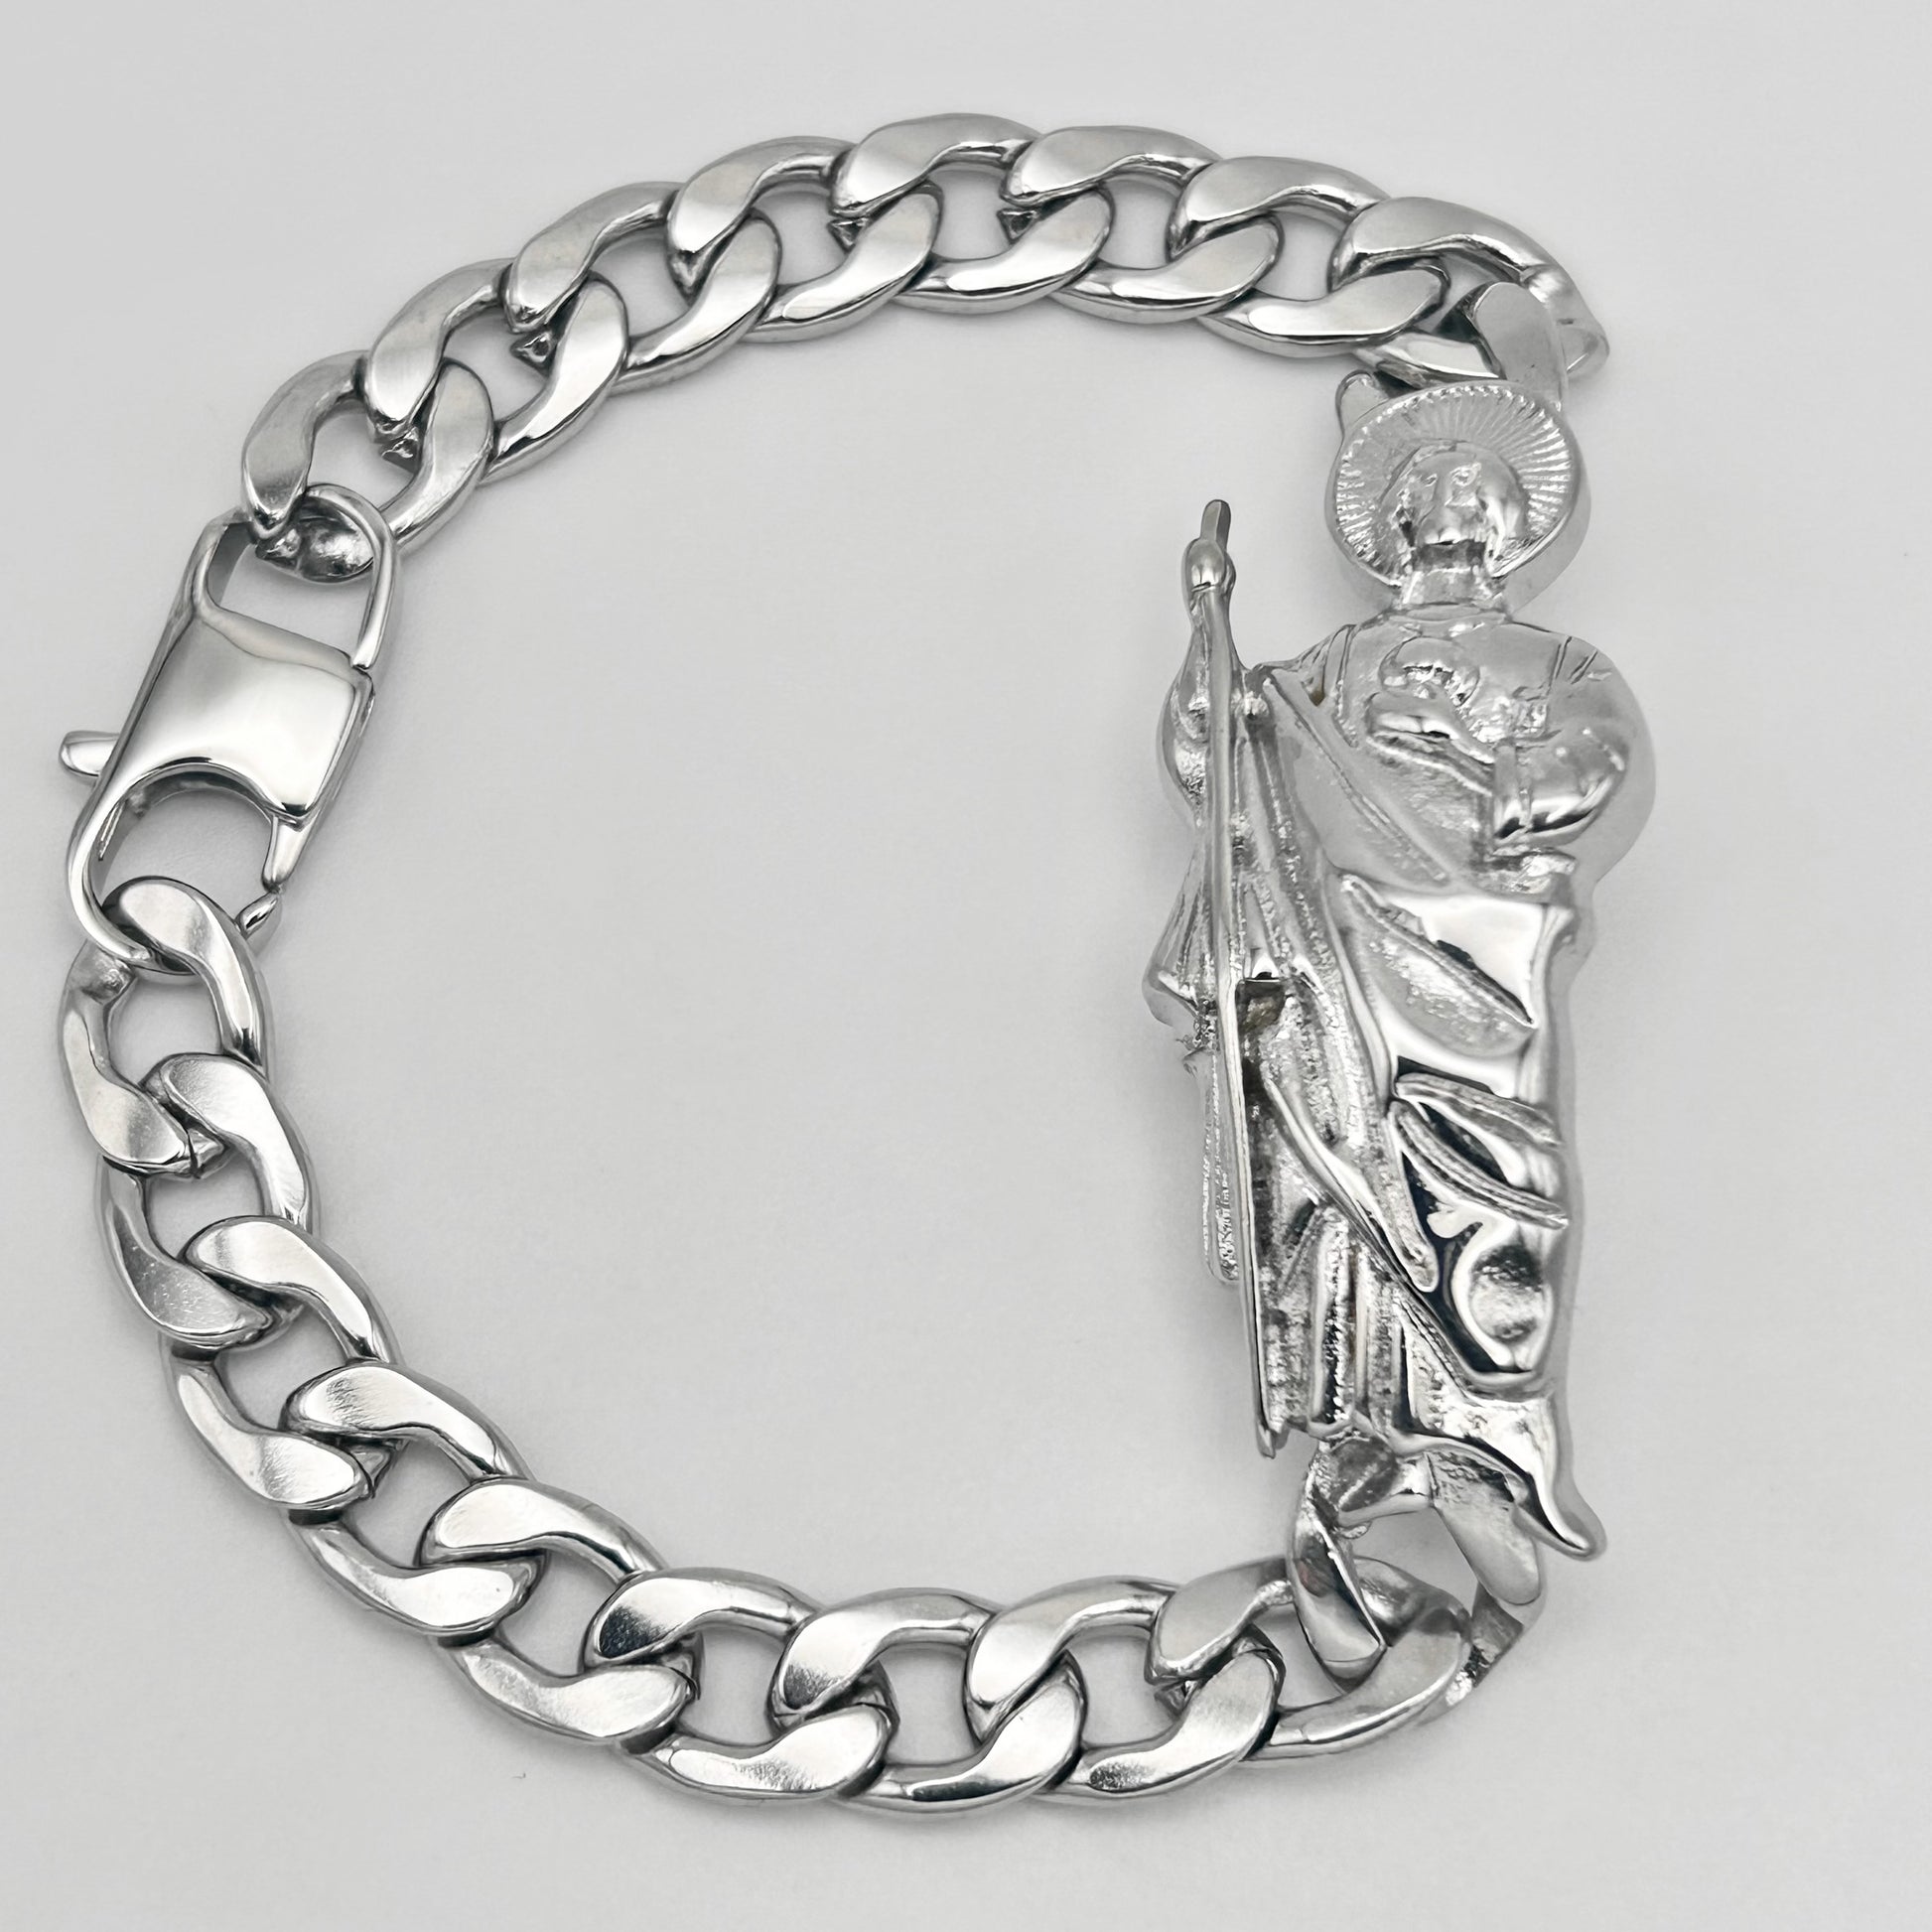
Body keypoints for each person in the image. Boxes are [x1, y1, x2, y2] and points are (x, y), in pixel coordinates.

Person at [1148, 383, 1652, 1570]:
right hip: (1335, 949)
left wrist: (1470, 775)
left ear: (1511, 521)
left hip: (1485, 950)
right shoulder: (1325, 667)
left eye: (1474, 489)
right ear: (1394, 521)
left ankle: (1497, 1431)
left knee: (1506, 1175)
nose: (1450, 506)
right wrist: (1204, 649)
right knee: (1343, 1161)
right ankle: (1371, 1434)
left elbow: (1601, 761)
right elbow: (1220, 762)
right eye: (1427, 489)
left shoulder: (1555, 660)